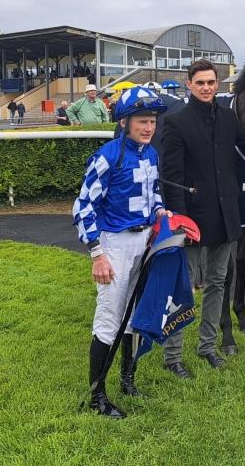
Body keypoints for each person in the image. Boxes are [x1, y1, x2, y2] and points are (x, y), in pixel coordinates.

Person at [160, 59, 245, 376]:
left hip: (224, 215)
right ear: (189, 85)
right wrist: (180, 220)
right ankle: (173, 356)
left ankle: (207, 346)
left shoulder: (228, 117)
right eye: (200, 83)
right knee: (182, 287)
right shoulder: (176, 123)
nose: (206, 88)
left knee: (217, 283)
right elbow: (171, 178)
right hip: (192, 219)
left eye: (210, 82)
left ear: (217, 84)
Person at [72, 86, 170, 418]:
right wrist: (97, 254)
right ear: (125, 122)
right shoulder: (107, 156)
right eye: (142, 121)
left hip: (144, 242)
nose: (149, 127)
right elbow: (83, 207)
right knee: (110, 317)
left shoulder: (151, 154)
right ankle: (96, 396)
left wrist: (160, 212)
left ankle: (128, 379)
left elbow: (153, 193)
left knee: (133, 313)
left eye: (152, 121)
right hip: (114, 244)